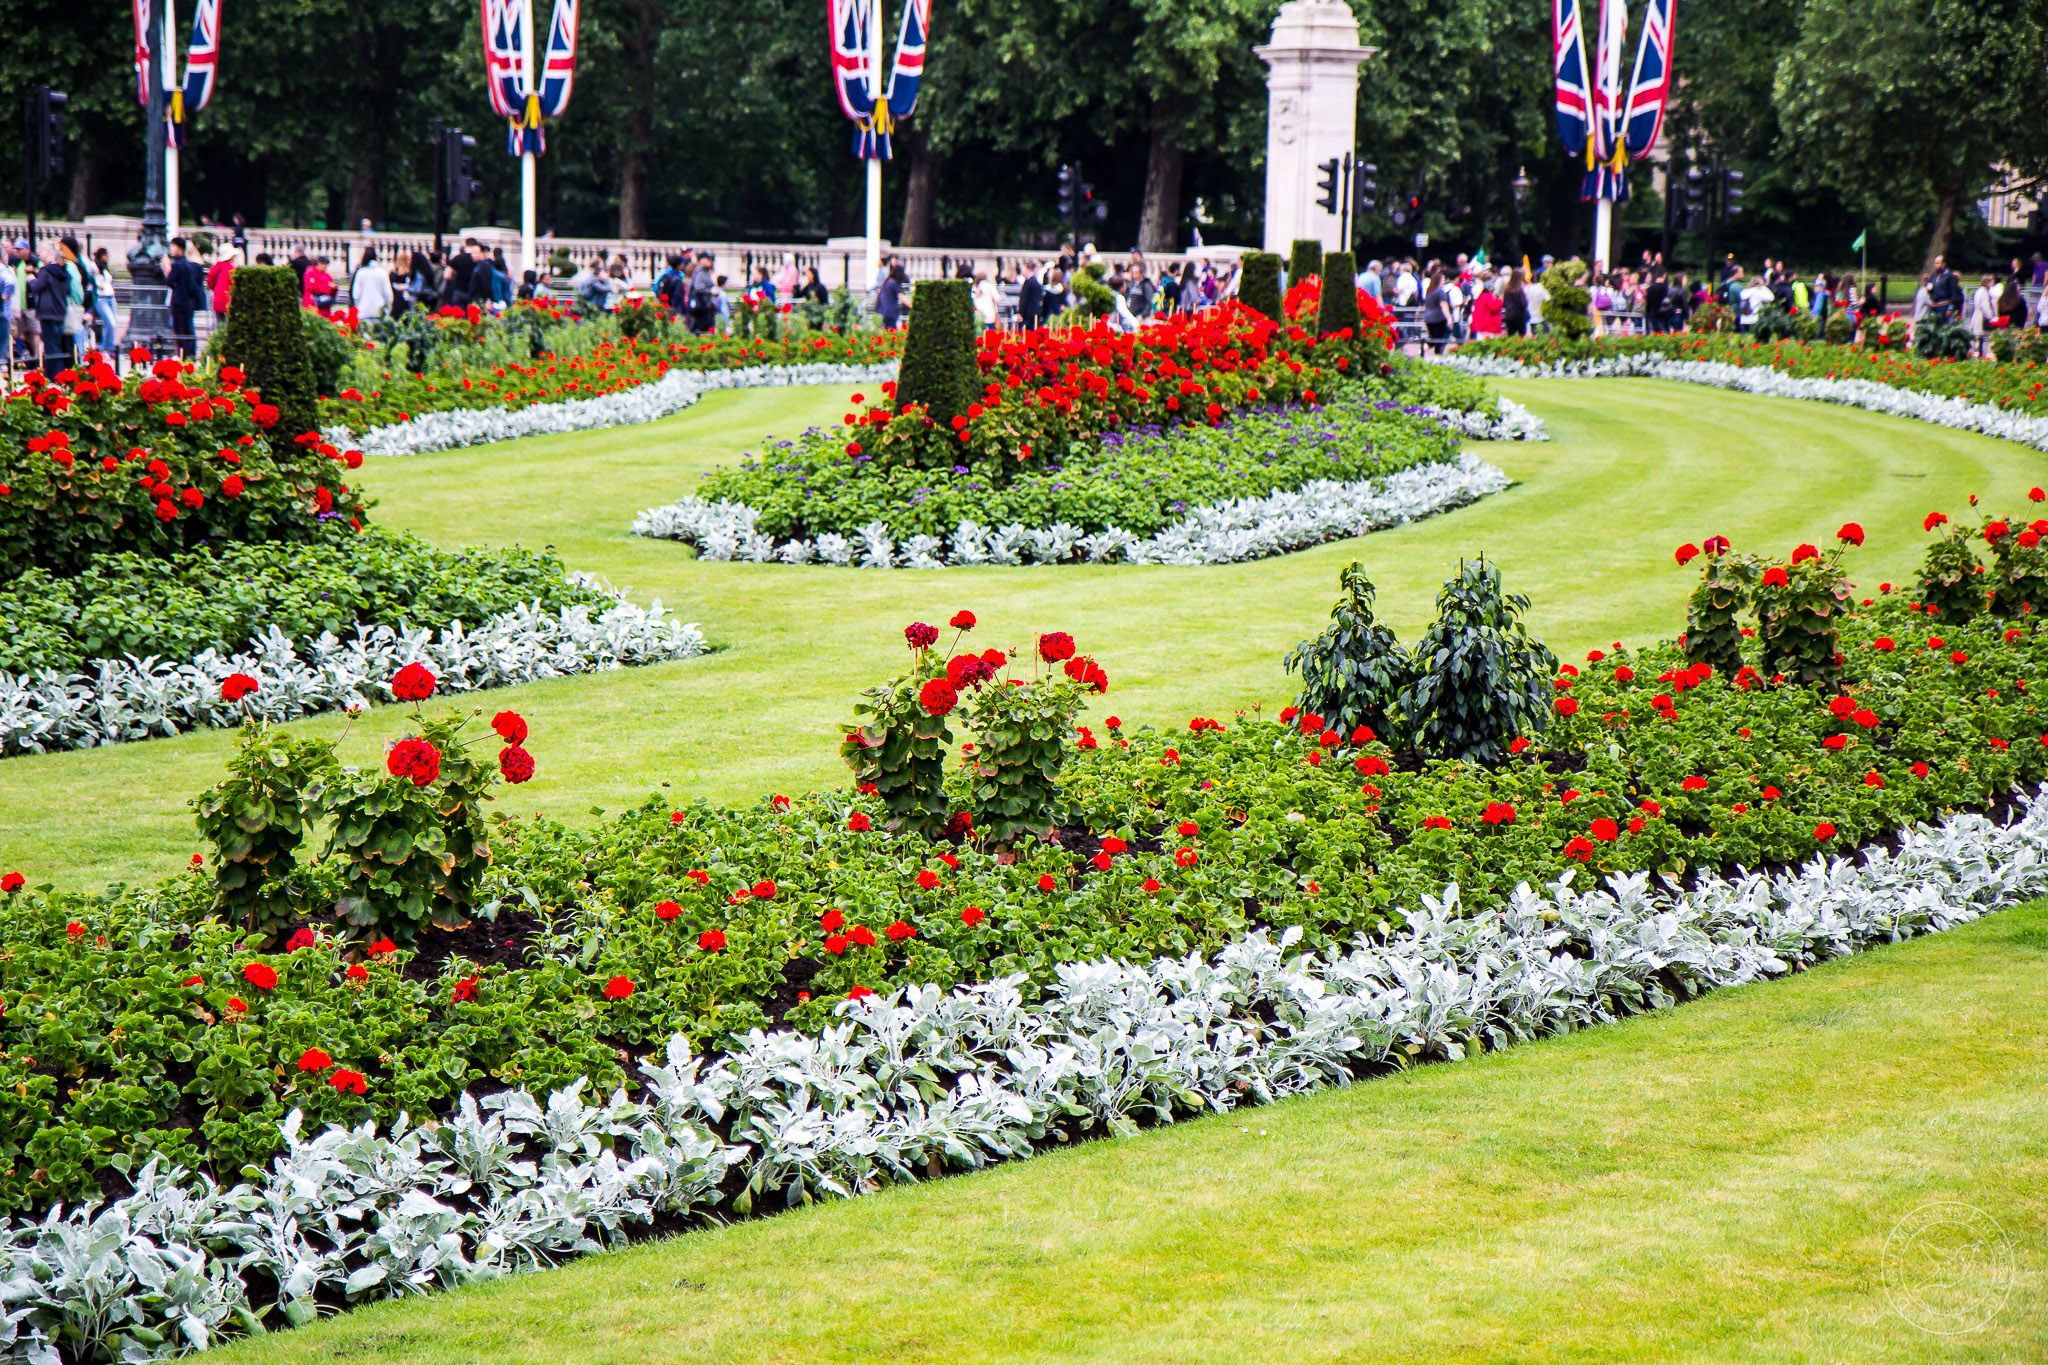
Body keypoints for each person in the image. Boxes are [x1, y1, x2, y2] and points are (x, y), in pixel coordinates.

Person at [165, 236, 207, 358]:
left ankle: (183, 354)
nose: (172, 250)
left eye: (173, 247)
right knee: (189, 328)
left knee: (180, 329)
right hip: (189, 301)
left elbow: (169, 281)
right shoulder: (190, 265)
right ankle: (190, 354)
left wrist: (167, 268)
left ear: (180, 249)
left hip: (179, 301)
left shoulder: (178, 265)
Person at [89, 247, 120, 355]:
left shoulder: (105, 268)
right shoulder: (94, 266)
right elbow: (91, 279)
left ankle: (108, 347)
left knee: (111, 324)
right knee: (110, 323)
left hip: (110, 296)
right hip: (101, 297)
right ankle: (106, 348)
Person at [351, 247, 393, 320]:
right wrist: (387, 310)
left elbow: (356, 295)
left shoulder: (360, 273)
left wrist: (358, 307)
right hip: (379, 311)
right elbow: (388, 294)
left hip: (364, 311)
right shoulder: (382, 272)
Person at [687, 251, 716, 333]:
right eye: (708, 260)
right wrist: (710, 291)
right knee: (702, 330)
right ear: (702, 260)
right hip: (701, 306)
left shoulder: (703, 272)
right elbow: (698, 287)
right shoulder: (700, 273)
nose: (710, 262)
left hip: (704, 306)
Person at [206, 246, 237, 319]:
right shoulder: (233, 269)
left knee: (219, 322)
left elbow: (210, 282)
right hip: (229, 300)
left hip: (217, 299)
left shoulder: (215, 267)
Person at [877, 257, 907, 329]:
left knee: (886, 330)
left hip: (883, 311)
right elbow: (901, 297)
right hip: (891, 312)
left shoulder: (887, 282)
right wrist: (911, 305)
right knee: (892, 330)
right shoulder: (894, 283)